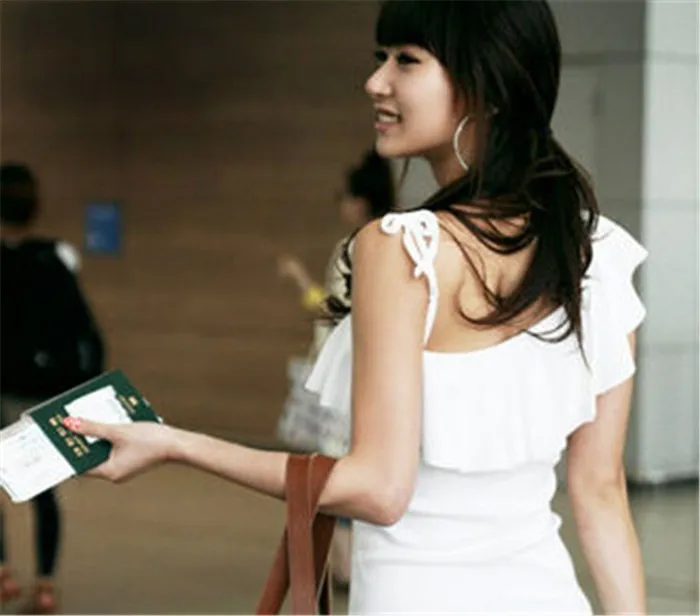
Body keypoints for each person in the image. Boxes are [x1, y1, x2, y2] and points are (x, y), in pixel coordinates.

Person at [62, 1, 647, 613]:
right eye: (380, 58)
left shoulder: (403, 249)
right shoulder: (597, 253)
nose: (375, 82)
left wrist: (176, 445)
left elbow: (378, 490)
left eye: (407, 61)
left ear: (486, 88)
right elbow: (600, 491)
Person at [276, 149, 397, 586]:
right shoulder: (395, 241)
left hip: (345, 379)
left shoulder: (356, 247)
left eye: (344, 197)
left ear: (359, 202)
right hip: (372, 377)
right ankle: (346, 563)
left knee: (334, 469)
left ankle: (343, 567)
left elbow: (331, 309)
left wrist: (298, 279)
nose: (341, 205)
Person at [0, 162, 105, 614]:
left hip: (3, 386)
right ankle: (45, 583)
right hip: (42, 392)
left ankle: (3, 571)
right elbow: (83, 330)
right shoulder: (54, 260)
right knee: (42, 489)